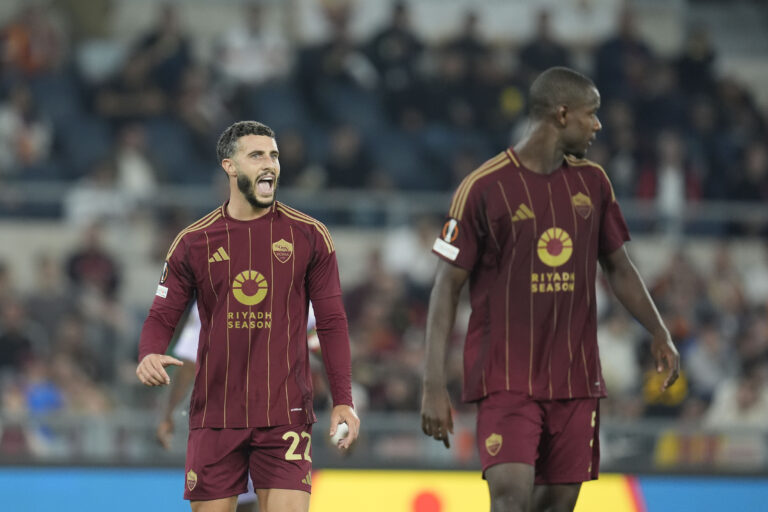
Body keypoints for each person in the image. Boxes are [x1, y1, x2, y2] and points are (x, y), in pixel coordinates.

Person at [420, 67, 680, 512]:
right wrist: (432, 384)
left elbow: (619, 267)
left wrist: (659, 330)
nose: (598, 125)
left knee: (558, 504)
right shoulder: (482, 187)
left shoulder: (594, 183)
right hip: (505, 376)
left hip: (576, 377)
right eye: (591, 114)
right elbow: (445, 288)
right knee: (510, 498)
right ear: (562, 114)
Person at [136, 120, 360, 512]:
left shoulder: (310, 236)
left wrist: (343, 399)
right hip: (216, 415)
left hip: (286, 413)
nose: (269, 163)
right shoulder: (194, 241)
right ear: (230, 166)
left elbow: (331, 323)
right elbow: (162, 315)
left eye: (274, 155)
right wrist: (149, 352)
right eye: (257, 155)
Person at [156, 301, 320, 512]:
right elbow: (320, 343)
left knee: (234, 496)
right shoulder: (294, 290)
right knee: (266, 494)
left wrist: (168, 414)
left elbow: (189, 363)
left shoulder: (211, 293)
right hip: (279, 415)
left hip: (226, 417)